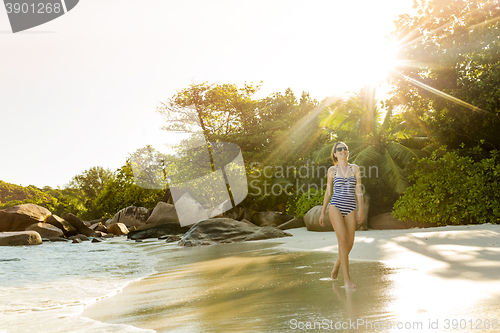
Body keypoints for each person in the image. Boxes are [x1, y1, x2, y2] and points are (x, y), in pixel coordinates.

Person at [319, 141, 364, 289]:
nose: (343, 151)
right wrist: (322, 211)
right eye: (339, 149)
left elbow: (358, 190)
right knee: (343, 240)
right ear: (335, 153)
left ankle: (337, 264)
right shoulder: (332, 170)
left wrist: (361, 208)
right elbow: (328, 192)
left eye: (345, 149)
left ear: (347, 152)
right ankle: (347, 281)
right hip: (335, 206)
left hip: (350, 207)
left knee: (349, 244)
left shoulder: (355, 168)